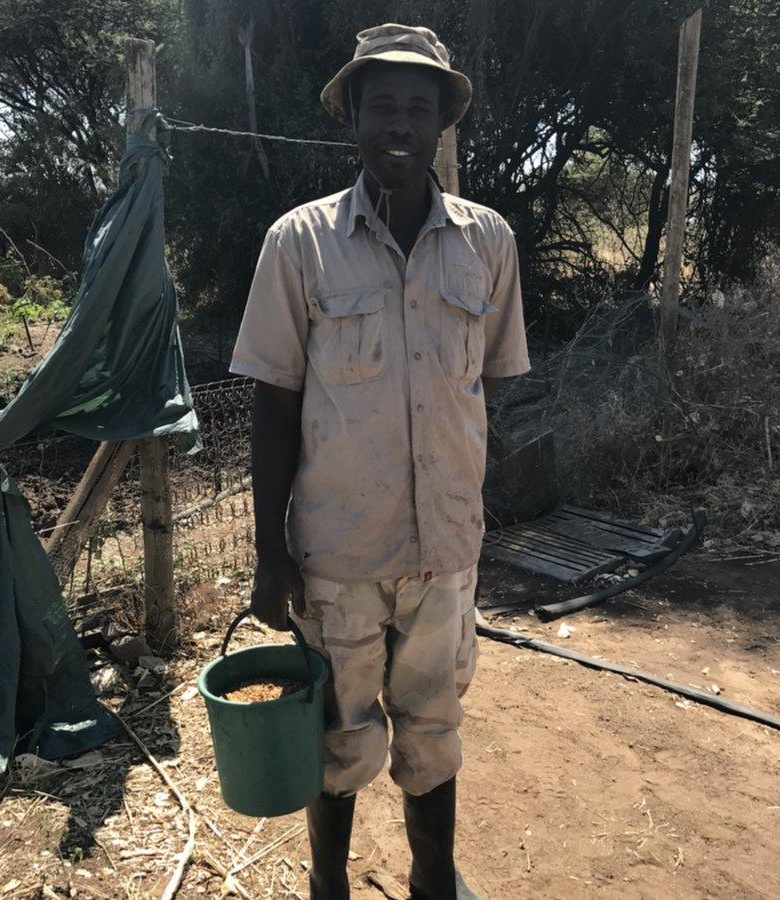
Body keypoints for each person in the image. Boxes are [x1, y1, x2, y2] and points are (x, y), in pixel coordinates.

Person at [229, 23, 531, 899]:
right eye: (382, 104)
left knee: (434, 728)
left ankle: (433, 876)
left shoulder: (489, 243)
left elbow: (488, 388)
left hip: (444, 553)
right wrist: (269, 552)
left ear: (442, 121)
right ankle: (330, 884)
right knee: (338, 733)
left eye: (419, 106)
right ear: (352, 116)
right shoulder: (299, 243)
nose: (400, 122)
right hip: (338, 555)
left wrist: (462, 509)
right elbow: (274, 399)